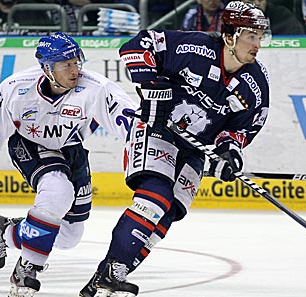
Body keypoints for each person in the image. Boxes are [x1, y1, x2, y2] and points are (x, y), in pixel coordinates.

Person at [79, 1, 271, 296]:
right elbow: (135, 45)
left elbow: (240, 130)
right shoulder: (194, 47)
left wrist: (228, 152)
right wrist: (151, 85)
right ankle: (113, 269)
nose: (257, 45)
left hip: (195, 149)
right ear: (230, 35)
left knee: (169, 213)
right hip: (157, 131)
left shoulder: (255, 84)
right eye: (251, 36)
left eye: (260, 37)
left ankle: (106, 277)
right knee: (155, 199)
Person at [0, 32, 137, 296]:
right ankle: (27, 268)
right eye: (65, 64)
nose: (75, 69)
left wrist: (149, 149)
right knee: (58, 190)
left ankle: (4, 230)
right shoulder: (16, 87)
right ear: (47, 68)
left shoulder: (95, 87)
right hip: (29, 144)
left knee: (69, 236)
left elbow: (129, 121)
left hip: (71, 148)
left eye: (76, 61)